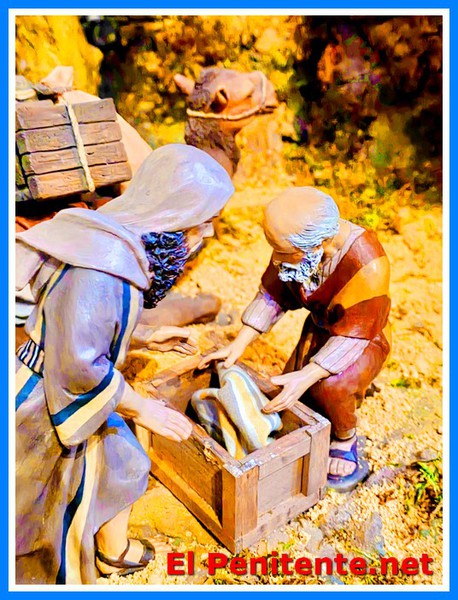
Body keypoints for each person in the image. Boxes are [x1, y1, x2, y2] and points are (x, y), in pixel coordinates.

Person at [15, 144, 234, 584]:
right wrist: (142, 407)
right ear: (176, 217)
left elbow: (83, 323)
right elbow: (78, 367)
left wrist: (146, 335)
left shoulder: (106, 239)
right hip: (45, 400)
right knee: (39, 504)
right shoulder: (105, 268)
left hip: (62, 380)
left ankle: (113, 552)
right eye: (202, 224)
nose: (204, 238)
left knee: (125, 462)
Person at [200, 186, 391, 492]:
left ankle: (346, 438)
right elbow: (273, 294)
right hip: (320, 328)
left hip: (362, 337)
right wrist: (239, 343)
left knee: (332, 386)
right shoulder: (296, 253)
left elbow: (355, 334)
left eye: (283, 252)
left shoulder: (368, 265)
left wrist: (309, 374)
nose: (276, 259)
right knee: (295, 391)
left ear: (320, 244)